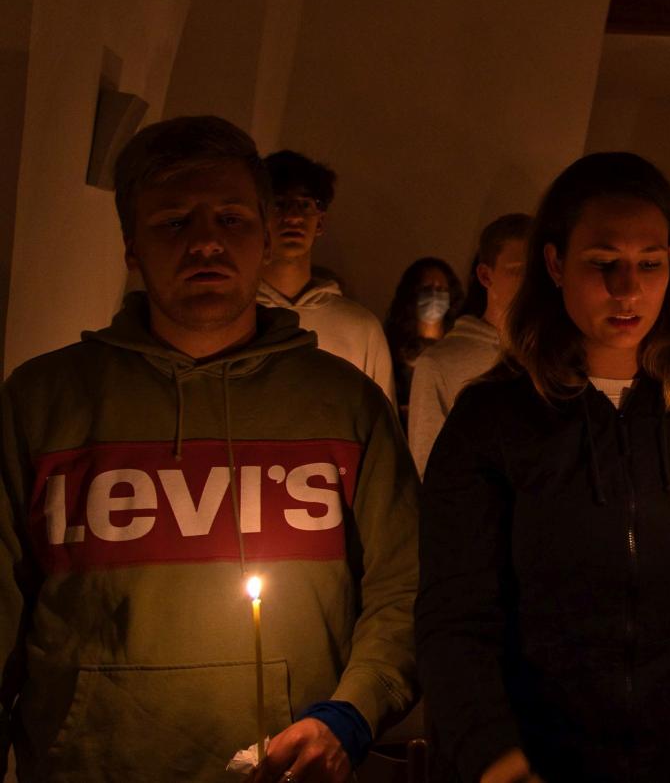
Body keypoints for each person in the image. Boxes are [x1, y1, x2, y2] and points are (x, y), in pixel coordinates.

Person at [0, 116, 417, 780]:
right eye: (173, 222)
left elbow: (406, 590)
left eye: (230, 219)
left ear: (264, 236)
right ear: (131, 248)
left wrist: (350, 715)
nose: (205, 243)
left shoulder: (346, 406)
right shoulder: (40, 405)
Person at [416, 152, 670, 783]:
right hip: (541, 763)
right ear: (556, 264)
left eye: (649, 264)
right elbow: (454, 616)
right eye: (604, 263)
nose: (628, 289)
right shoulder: (494, 421)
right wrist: (493, 757)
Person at [257, 150, 395, 402]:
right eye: (280, 204)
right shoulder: (237, 319)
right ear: (260, 217)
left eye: (305, 204)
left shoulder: (360, 329)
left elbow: (380, 418)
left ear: (320, 222)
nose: (293, 217)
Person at [406, 213, 531, 476]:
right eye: (518, 271)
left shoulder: (557, 356)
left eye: (538, 271)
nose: (530, 283)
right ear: (486, 276)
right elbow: (427, 471)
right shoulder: (440, 364)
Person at [383, 257, 462, 423]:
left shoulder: (458, 347)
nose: (434, 295)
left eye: (441, 289)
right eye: (427, 288)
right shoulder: (390, 351)